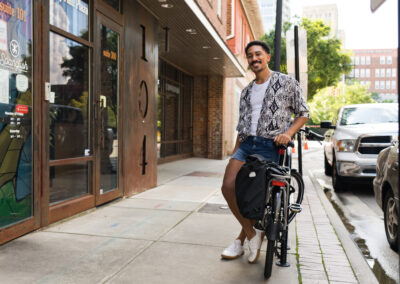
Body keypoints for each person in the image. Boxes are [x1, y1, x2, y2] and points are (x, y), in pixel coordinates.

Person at [220, 40, 309, 263]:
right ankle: (252, 234)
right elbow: (242, 126)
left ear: (267, 57)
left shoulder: (286, 82)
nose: (254, 59)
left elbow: (303, 113)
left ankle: (242, 239)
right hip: (247, 144)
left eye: (258, 54)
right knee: (228, 186)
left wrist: (287, 134)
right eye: (250, 56)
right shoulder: (247, 91)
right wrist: (234, 152)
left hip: (272, 146)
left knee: (256, 194)